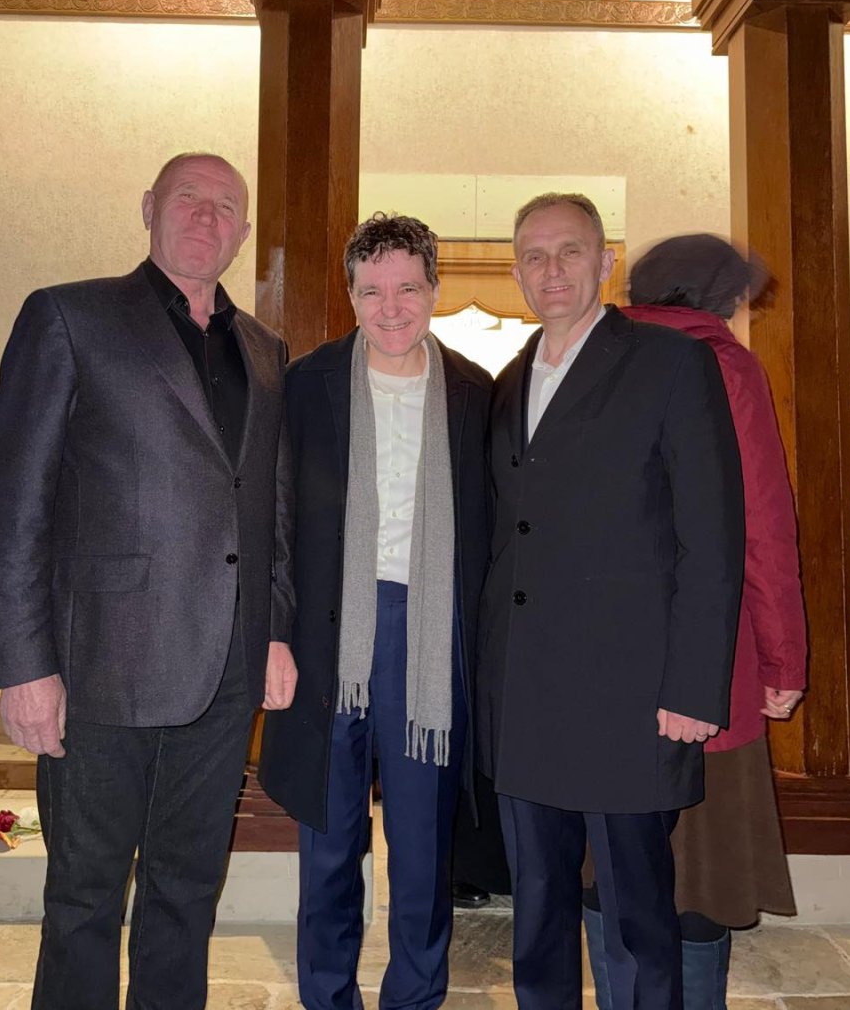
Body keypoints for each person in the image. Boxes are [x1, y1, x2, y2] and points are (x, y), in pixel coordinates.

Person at [0, 153, 297, 1010]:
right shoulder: (70, 317)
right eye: (188, 198)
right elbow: (11, 500)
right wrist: (23, 666)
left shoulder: (266, 351)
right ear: (149, 207)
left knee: (187, 890)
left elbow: (271, 509)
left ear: (243, 232)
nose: (206, 216)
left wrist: (274, 628)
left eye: (225, 206)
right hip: (99, 668)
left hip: (224, 674)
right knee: (84, 897)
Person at [477, 193, 745, 1010]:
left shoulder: (671, 364)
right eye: (533, 255)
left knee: (637, 920)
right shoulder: (508, 380)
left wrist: (694, 687)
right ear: (516, 271)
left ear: (606, 261)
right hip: (525, 694)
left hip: (631, 696)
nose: (551, 270)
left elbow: (713, 536)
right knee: (537, 916)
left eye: (569, 251)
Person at [259, 212, 492, 1010]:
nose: (391, 309)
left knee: (423, 850)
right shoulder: (307, 384)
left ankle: (415, 996)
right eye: (372, 292)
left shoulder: (474, 393)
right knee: (329, 846)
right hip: (330, 639)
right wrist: (273, 635)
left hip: (429, 641)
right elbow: (273, 522)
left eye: (408, 289)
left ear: (435, 290)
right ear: (351, 295)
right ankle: (327, 996)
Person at [578, 233, 806, 1010]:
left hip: (601, 664)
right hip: (711, 663)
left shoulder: (592, 358)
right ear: (716, 296)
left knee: (609, 860)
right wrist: (784, 660)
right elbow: (762, 528)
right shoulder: (725, 367)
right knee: (702, 870)